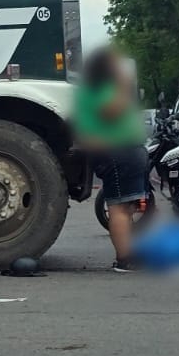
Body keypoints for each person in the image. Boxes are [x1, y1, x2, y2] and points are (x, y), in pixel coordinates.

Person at [73, 48, 148, 273]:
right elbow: (112, 110)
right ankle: (125, 259)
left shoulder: (91, 90)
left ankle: (129, 254)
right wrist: (124, 83)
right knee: (119, 208)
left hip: (119, 151)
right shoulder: (102, 90)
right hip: (116, 151)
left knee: (124, 208)